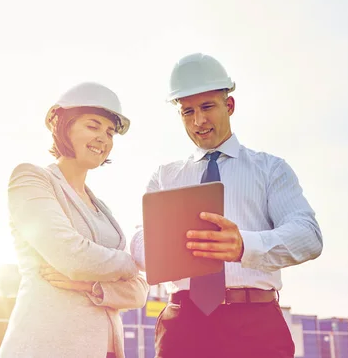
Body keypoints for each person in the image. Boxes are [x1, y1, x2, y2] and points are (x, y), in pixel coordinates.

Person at [131, 53, 324, 358]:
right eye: (188, 111)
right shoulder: (165, 176)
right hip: (182, 325)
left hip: (254, 326)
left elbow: (308, 236)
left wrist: (244, 245)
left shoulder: (270, 169)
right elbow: (139, 243)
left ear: (229, 106)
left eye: (207, 107)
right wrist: (176, 247)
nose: (199, 121)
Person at [0, 82, 149, 358]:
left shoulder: (103, 209)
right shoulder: (32, 179)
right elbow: (71, 255)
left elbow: (140, 293)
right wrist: (132, 265)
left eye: (110, 132)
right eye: (93, 126)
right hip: (48, 346)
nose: (103, 138)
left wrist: (94, 287)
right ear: (64, 126)